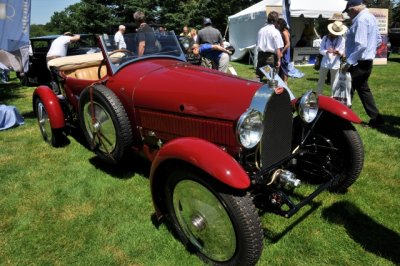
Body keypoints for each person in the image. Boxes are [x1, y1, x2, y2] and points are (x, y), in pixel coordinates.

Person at [342, 0, 385, 127]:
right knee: (363, 90)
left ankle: (342, 119)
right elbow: (378, 40)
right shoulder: (370, 17)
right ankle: (377, 119)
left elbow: (361, 45)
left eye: (348, 13)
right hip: (366, 61)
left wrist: (349, 61)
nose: (348, 15)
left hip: (357, 63)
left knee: (347, 90)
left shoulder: (360, 20)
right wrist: (370, 52)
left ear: (353, 9)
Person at [316, 21, 346, 95]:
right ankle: (319, 96)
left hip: (335, 63)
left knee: (334, 82)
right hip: (325, 62)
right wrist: (327, 51)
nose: (334, 34)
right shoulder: (325, 38)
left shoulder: (342, 39)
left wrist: (338, 52)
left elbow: (342, 51)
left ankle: (333, 97)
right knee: (321, 81)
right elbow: (320, 50)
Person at [256, 11, 283, 81]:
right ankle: (271, 90)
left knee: (259, 76)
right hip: (270, 57)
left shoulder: (261, 30)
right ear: (276, 21)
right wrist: (279, 60)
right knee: (272, 78)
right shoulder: (275, 31)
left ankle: (255, 89)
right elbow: (278, 48)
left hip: (260, 55)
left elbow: (257, 43)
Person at [276, 18, 291, 84]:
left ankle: (285, 82)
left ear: (280, 24)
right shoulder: (285, 30)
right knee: (283, 66)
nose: (276, 25)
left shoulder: (284, 32)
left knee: (284, 66)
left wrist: (281, 52)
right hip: (284, 50)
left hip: (285, 51)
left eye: (277, 24)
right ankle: (283, 81)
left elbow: (288, 44)